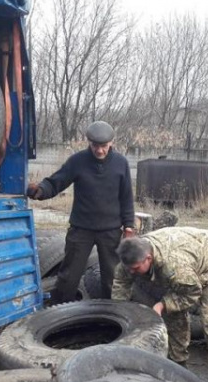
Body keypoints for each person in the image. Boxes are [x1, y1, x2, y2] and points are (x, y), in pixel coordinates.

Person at [112, 227, 208, 382]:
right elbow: (121, 283)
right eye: (129, 269)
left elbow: (192, 293)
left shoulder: (174, 266)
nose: (131, 272)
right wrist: (120, 313)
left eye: (135, 269)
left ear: (148, 258)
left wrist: (162, 304)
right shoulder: (131, 257)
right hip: (190, 255)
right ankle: (178, 362)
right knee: (174, 314)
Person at [27, 121, 135, 302]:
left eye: (103, 146)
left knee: (112, 278)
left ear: (111, 143)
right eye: (95, 145)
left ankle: (113, 316)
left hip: (110, 232)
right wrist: (40, 190)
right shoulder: (78, 161)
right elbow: (57, 181)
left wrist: (129, 228)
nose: (99, 150)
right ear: (89, 143)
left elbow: (126, 198)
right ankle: (60, 313)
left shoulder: (121, 163)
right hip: (81, 230)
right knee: (68, 277)